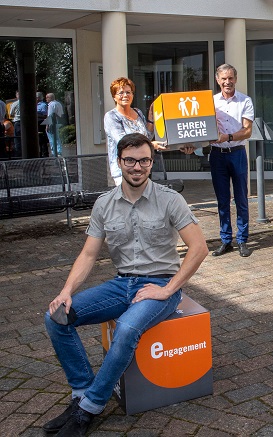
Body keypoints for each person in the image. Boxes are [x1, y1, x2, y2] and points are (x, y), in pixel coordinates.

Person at [43, 133, 207, 435]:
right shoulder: (104, 204)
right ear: (119, 162)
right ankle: (81, 392)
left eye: (144, 160)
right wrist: (65, 292)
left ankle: (88, 409)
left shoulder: (170, 199)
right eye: (130, 160)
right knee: (55, 318)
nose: (137, 166)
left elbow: (199, 249)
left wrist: (169, 289)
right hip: (122, 285)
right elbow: (89, 254)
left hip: (159, 286)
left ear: (151, 162)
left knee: (128, 329)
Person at [209, 63, 255, 258]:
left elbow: (247, 130)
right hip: (217, 155)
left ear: (235, 79)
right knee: (222, 200)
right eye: (224, 79)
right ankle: (226, 240)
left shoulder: (245, 101)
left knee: (241, 199)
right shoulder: (210, 102)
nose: (227, 82)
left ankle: (242, 239)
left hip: (237, 153)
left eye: (231, 78)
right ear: (218, 80)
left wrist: (227, 137)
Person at [104, 77, 161, 186]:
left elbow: (147, 136)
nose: (125, 95)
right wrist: (151, 145)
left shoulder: (138, 112)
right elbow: (124, 142)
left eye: (128, 92)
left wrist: (150, 118)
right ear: (114, 97)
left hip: (142, 167)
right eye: (120, 93)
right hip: (124, 170)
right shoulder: (111, 116)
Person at [46, 93, 67, 157]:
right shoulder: (58, 103)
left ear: (50, 98)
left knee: (52, 138)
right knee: (57, 138)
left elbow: (50, 116)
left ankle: (54, 152)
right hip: (58, 122)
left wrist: (47, 125)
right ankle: (59, 151)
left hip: (52, 123)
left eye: (47, 97)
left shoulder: (51, 105)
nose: (46, 99)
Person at [9, 91, 21, 157]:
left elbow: (11, 114)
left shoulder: (15, 103)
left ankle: (18, 154)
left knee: (17, 139)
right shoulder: (29, 102)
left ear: (17, 95)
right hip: (27, 123)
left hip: (18, 122)